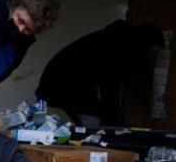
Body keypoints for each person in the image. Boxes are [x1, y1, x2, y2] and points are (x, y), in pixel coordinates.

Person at [36, 19, 165, 126]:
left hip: (62, 82)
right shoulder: (116, 47)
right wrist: (114, 121)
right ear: (144, 45)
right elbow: (109, 87)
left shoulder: (116, 40)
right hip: (64, 84)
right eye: (150, 52)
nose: (149, 57)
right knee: (93, 121)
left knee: (93, 118)